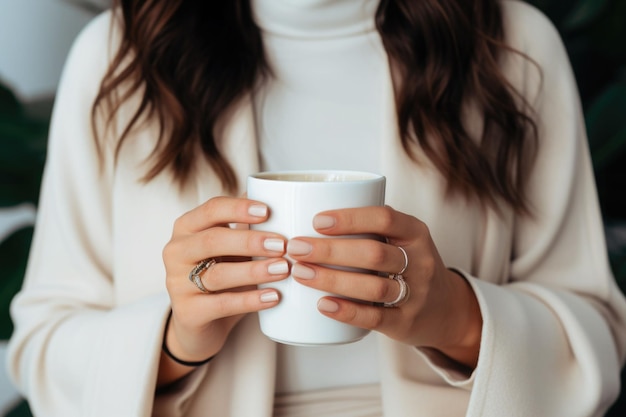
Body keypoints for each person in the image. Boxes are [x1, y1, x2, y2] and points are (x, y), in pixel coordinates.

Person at [7, 0, 626, 415]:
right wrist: (173, 341)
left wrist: (456, 318)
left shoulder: (510, 43)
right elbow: (42, 348)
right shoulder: (121, 57)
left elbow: (598, 330)